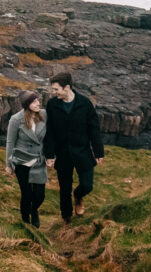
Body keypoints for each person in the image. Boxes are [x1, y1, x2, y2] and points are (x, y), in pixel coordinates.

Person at [44, 72, 104, 222]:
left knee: (87, 185)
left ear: (67, 87)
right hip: (62, 153)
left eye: (56, 89)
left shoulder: (85, 104)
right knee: (64, 189)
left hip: (82, 152)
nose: (54, 92)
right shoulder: (52, 105)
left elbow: (94, 129)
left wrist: (98, 152)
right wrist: (49, 155)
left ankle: (78, 196)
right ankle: (66, 218)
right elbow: (49, 131)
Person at [5, 90, 47, 227]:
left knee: (40, 195)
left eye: (38, 100)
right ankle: (25, 220)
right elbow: (10, 142)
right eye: (34, 102)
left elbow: (51, 136)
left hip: (39, 160)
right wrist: (9, 165)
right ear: (27, 104)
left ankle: (33, 210)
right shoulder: (16, 119)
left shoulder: (44, 115)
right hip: (22, 161)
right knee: (27, 194)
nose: (38, 103)